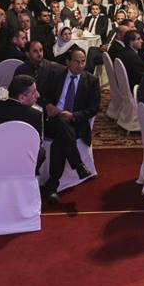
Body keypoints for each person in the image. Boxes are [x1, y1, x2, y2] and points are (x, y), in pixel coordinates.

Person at [39, 48, 98, 203]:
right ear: (68, 62)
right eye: (76, 62)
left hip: (76, 123)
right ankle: (78, 165)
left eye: (83, 61)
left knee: (62, 138)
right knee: (61, 126)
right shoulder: (56, 75)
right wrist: (48, 106)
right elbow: (41, 96)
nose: (81, 65)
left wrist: (73, 116)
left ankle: (52, 184)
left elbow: (94, 109)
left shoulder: (91, 80)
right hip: (53, 119)